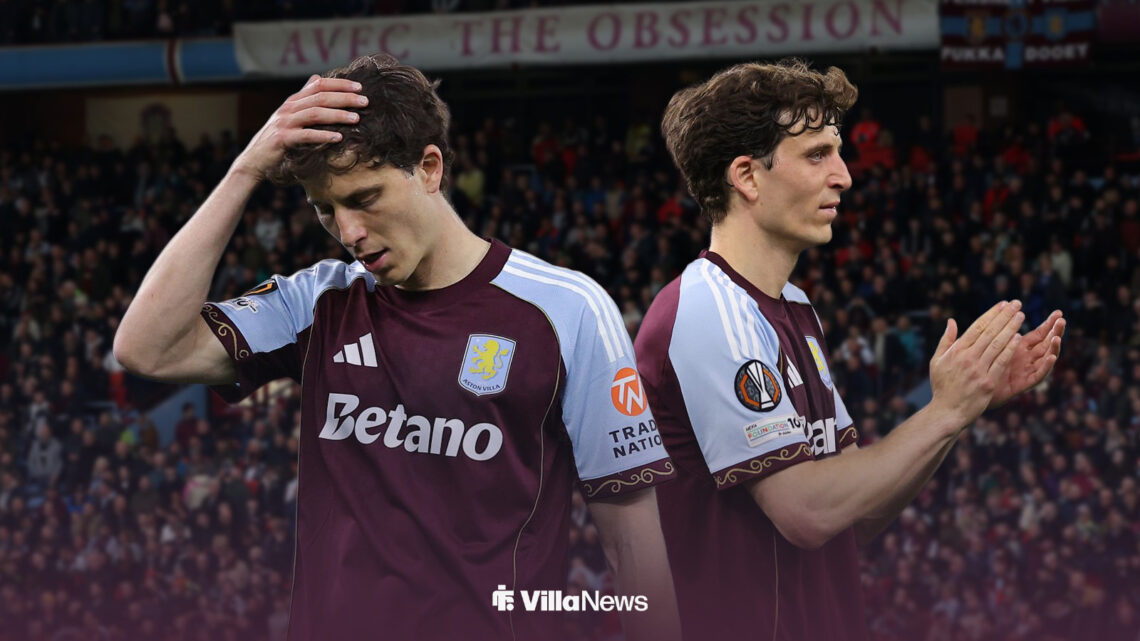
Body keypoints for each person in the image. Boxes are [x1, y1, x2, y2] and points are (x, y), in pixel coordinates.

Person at [113, 54, 679, 641]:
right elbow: (148, 349)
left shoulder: (566, 310)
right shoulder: (316, 304)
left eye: (364, 197)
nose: (348, 232)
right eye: (324, 210)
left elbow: (633, 544)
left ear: (429, 167)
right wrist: (245, 170)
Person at [635, 59, 1066, 639]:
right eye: (817, 155)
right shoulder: (709, 310)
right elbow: (806, 513)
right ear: (747, 176)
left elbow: (852, 516)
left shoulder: (793, 306)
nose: (844, 176)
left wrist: (963, 407)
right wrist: (944, 411)